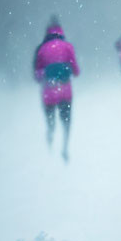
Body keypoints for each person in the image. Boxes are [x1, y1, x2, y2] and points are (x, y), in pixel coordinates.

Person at [33, 17, 80, 161]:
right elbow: (76, 71)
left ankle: (50, 140)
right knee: (66, 120)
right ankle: (65, 147)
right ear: (60, 31)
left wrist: (48, 75)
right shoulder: (67, 46)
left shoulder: (41, 49)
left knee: (51, 120)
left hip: (49, 92)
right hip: (65, 90)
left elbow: (37, 75)